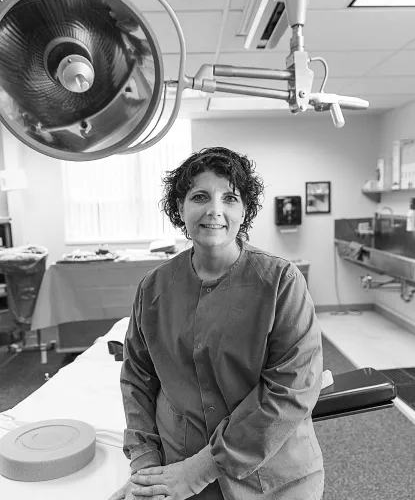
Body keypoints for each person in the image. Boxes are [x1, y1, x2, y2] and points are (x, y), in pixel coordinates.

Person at [109, 147, 324, 500]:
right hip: (177, 469)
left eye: (230, 198)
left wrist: (201, 469)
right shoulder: (154, 287)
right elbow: (138, 379)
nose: (215, 210)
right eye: (199, 197)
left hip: (272, 476)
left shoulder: (281, 282)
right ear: (179, 208)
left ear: (245, 211)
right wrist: (145, 465)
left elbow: (292, 388)